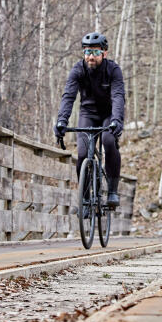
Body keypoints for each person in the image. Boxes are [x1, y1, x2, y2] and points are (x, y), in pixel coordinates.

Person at [54, 32, 125, 208]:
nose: (90, 56)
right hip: (88, 113)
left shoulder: (113, 70)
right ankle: (85, 197)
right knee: (83, 153)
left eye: (95, 52)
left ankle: (113, 191)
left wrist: (117, 120)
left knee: (109, 142)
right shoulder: (78, 70)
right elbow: (68, 96)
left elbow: (118, 96)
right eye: (87, 52)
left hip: (109, 114)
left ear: (104, 53)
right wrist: (61, 120)